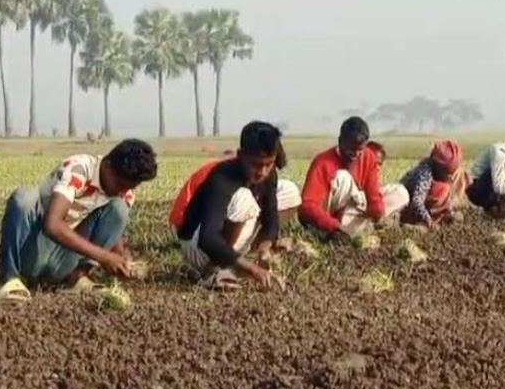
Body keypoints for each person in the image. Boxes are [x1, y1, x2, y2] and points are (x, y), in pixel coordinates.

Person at [0, 139, 159, 301]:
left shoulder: (123, 193)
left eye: (128, 187)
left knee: (119, 209)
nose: (121, 191)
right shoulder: (79, 170)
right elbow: (53, 224)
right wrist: (104, 256)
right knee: (24, 197)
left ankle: (77, 278)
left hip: (63, 259)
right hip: (34, 248)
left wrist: (123, 259)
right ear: (107, 166)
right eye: (119, 184)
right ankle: (10, 279)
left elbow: (112, 228)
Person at [177, 121, 287, 291]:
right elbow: (208, 239)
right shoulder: (223, 178)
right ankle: (215, 270)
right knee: (244, 199)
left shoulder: (269, 175)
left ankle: (240, 259)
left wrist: (264, 250)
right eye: (256, 165)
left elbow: (271, 219)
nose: (263, 172)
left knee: (289, 191)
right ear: (240, 156)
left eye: (268, 164)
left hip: (229, 241)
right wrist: (251, 269)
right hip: (198, 246)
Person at [298, 117, 408, 241]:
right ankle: (342, 230)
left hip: (354, 211)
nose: (355, 155)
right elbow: (307, 206)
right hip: (330, 216)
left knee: (400, 193)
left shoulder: (368, 157)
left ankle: (361, 227)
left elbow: (373, 196)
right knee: (344, 178)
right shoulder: (322, 162)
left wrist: (379, 215)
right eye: (351, 150)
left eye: (359, 150)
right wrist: (334, 225)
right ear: (340, 142)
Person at [168, 143, 301, 231]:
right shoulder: (225, 175)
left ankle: (258, 244)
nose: (265, 173)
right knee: (244, 202)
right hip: (194, 227)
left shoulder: (255, 175)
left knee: (289, 191)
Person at [400, 139, 468, 229]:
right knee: (442, 189)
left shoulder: (436, 171)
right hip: (408, 208)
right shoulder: (425, 173)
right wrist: (429, 221)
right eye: (448, 173)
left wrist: (450, 212)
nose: (450, 176)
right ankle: (416, 224)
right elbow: (417, 202)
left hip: (421, 206)